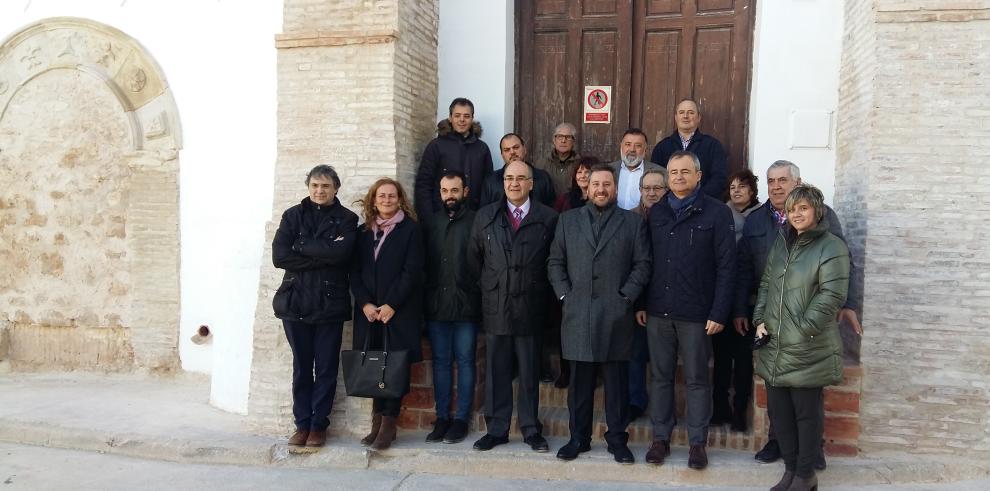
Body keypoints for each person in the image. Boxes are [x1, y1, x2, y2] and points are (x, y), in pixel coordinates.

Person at [735, 160, 862, 467]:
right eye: (771, 181)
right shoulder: (756, 221)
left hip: (807, 323)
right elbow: (748, 270)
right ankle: (779, 444)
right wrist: (746, 311)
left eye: (782, 180)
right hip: (770, 317)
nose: (776, 186)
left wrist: (849, 304)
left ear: (798, 183)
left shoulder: (823, 218)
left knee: (806, 394)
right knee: (777, 386)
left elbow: (842, 265)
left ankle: (810, 453)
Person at [548, 164, 652, 464]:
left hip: (616, 316)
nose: (601, 189)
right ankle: (577, 438)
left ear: (615, 189)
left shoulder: (632, 223)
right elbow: (555, 262)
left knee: (617, 387)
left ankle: (618, 440)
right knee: (579, 387)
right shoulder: (567, 221)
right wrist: (566, 295)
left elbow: (643, 264)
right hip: (577, 314)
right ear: (587, 188)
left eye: (607, 184)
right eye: (596, 184)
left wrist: (625, 297)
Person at [642, 151, 736, 470]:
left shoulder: (717, 212)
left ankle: (697, 443)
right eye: (673, 172)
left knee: (697, 379)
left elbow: (726, 266)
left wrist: (719, 312)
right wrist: (642, 303)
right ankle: (660, 438)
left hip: (698, 314)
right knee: (660, 378)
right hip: (658, 311)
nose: (679, 177)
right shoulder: (657, 213)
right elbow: (647, 261)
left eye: (685, 171)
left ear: (698, 176)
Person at [753, 184, 849, 491]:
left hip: (809, 346)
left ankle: (806, 474)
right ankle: (791, 470)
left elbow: (832, 294)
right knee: (780, 415)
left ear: (816, 211)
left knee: (806, 415)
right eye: (792, 209)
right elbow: (767, 284)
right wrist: (759, 320)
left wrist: (805, 327)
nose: (796, 214)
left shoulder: (831, 245)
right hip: (776, 345)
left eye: (803, 208)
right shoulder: (782, 243)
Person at [468, 160, 558, 453]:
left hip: (532, 305)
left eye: (521, 178)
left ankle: (531, 429)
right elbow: (475, 260)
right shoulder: (485, 216)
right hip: (497, 305)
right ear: (502, 182)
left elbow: (553, 261)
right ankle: (497, 429)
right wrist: (494, 286)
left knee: (530, 371)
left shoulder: (549, 217)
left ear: (532, 183)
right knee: (497, 371)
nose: (515, 183)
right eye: (509, 178)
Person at [272, 165, 359, 450]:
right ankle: (301, 424)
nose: (320, 191)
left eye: (325, 186)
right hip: (295, 302)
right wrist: (323, 253)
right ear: (308, 187)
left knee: (325, 368)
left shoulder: (347, 219)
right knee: (301, 367)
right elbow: (280, 256)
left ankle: (318, 425)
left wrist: (303, 245)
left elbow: (342, 254)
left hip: (329, 304)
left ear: (336, 188)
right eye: (315, 186)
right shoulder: (292, 216)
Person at [350, 178, 424, 451]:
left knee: (394, 369)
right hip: (369, 314)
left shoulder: (411, 230)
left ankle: (389, 426)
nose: (387, 200)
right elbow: (354, 273)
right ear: (373, 199)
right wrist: (365, 304)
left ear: (400, 199)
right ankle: (376, 423)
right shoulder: (362, 233)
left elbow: (412, 271)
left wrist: (391, 304)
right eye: (382, 196)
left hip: (398, 313)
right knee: (373, 366)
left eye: (392, 196)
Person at [422, 171, 480, 444]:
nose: (449, 196)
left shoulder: (477, 221)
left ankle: (461, 419)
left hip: (466, 306)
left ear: (465, 192)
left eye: (454, 191)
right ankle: (442, 416)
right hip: (437, 306)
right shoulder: (431, 222)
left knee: (466, 362)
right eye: (445, 191)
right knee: (442, 363)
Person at [711, 168, 762, 432]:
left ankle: (740, 410)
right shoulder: (719, 213)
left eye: (742, 186)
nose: (736, 191)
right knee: (720, 358)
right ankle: (719, 408)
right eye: (732, 187)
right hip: (721, 296)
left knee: (742, 360)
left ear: (752, 191)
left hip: (749, 299)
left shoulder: (763, 217)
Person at [548, 155, 598, 388]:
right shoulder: (564, 201)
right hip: (568, 274)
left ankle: (594, 372)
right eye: (579, 171)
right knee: (565, 326)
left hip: (594, 275)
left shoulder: (602, 201)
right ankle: (566, 370)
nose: (582, 175)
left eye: (587, 171)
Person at [628, 168, 667, 422]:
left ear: (666, 191)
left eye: (657, 188)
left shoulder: (674, 217)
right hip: (636, 299)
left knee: (663, 358)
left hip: (667, 299)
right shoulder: (628, 219)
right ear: (640, 191)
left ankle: (664, 409)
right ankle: (635, 401)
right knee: (635, 353)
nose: (652, 193)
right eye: (647, 188)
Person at [415, 97, 493, 224]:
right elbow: (424, 184)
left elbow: (489, 185)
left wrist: (483, 217)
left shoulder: (482, 149)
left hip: (473, 219)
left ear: (472, 119)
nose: (462, 120)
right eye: (457, 115)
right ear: (450, 118)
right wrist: (428, 218)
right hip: (441, 219)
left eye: (466, 116)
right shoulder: (436, 146)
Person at [650, 99, 728, 199]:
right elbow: (656, 178)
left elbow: (719, 178)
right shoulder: (662, 147)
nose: (686, 116)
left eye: (691, 113)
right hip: (670, 206)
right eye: (681, 112)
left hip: (703, 205)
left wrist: (698, 198)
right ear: (676, 117)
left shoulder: (713, 145)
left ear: (699, 117)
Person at [479, 133, 556, 207]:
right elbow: (485, 214)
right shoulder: (490, 181)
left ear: (524, 149)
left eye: (516, 147)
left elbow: (551, 210)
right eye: (507, 150)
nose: (512, 152)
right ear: (502, 155)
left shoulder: (543, 177)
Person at [609, 128, 661, 211]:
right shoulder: (609, 170)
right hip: (613, 221)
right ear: (621, 147)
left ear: (645, 149)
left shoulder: (659, 172)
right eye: (628, 144)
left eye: (638, 145)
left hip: (644, 221)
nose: (632, 149)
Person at [537, 122, 581, 196]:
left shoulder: (580, 164)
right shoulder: (541, 163)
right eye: (560, 136)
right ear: (554, 140)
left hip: (573, 206)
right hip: (547, 206)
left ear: (573, 141)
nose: (563, 140)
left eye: (568, 137)